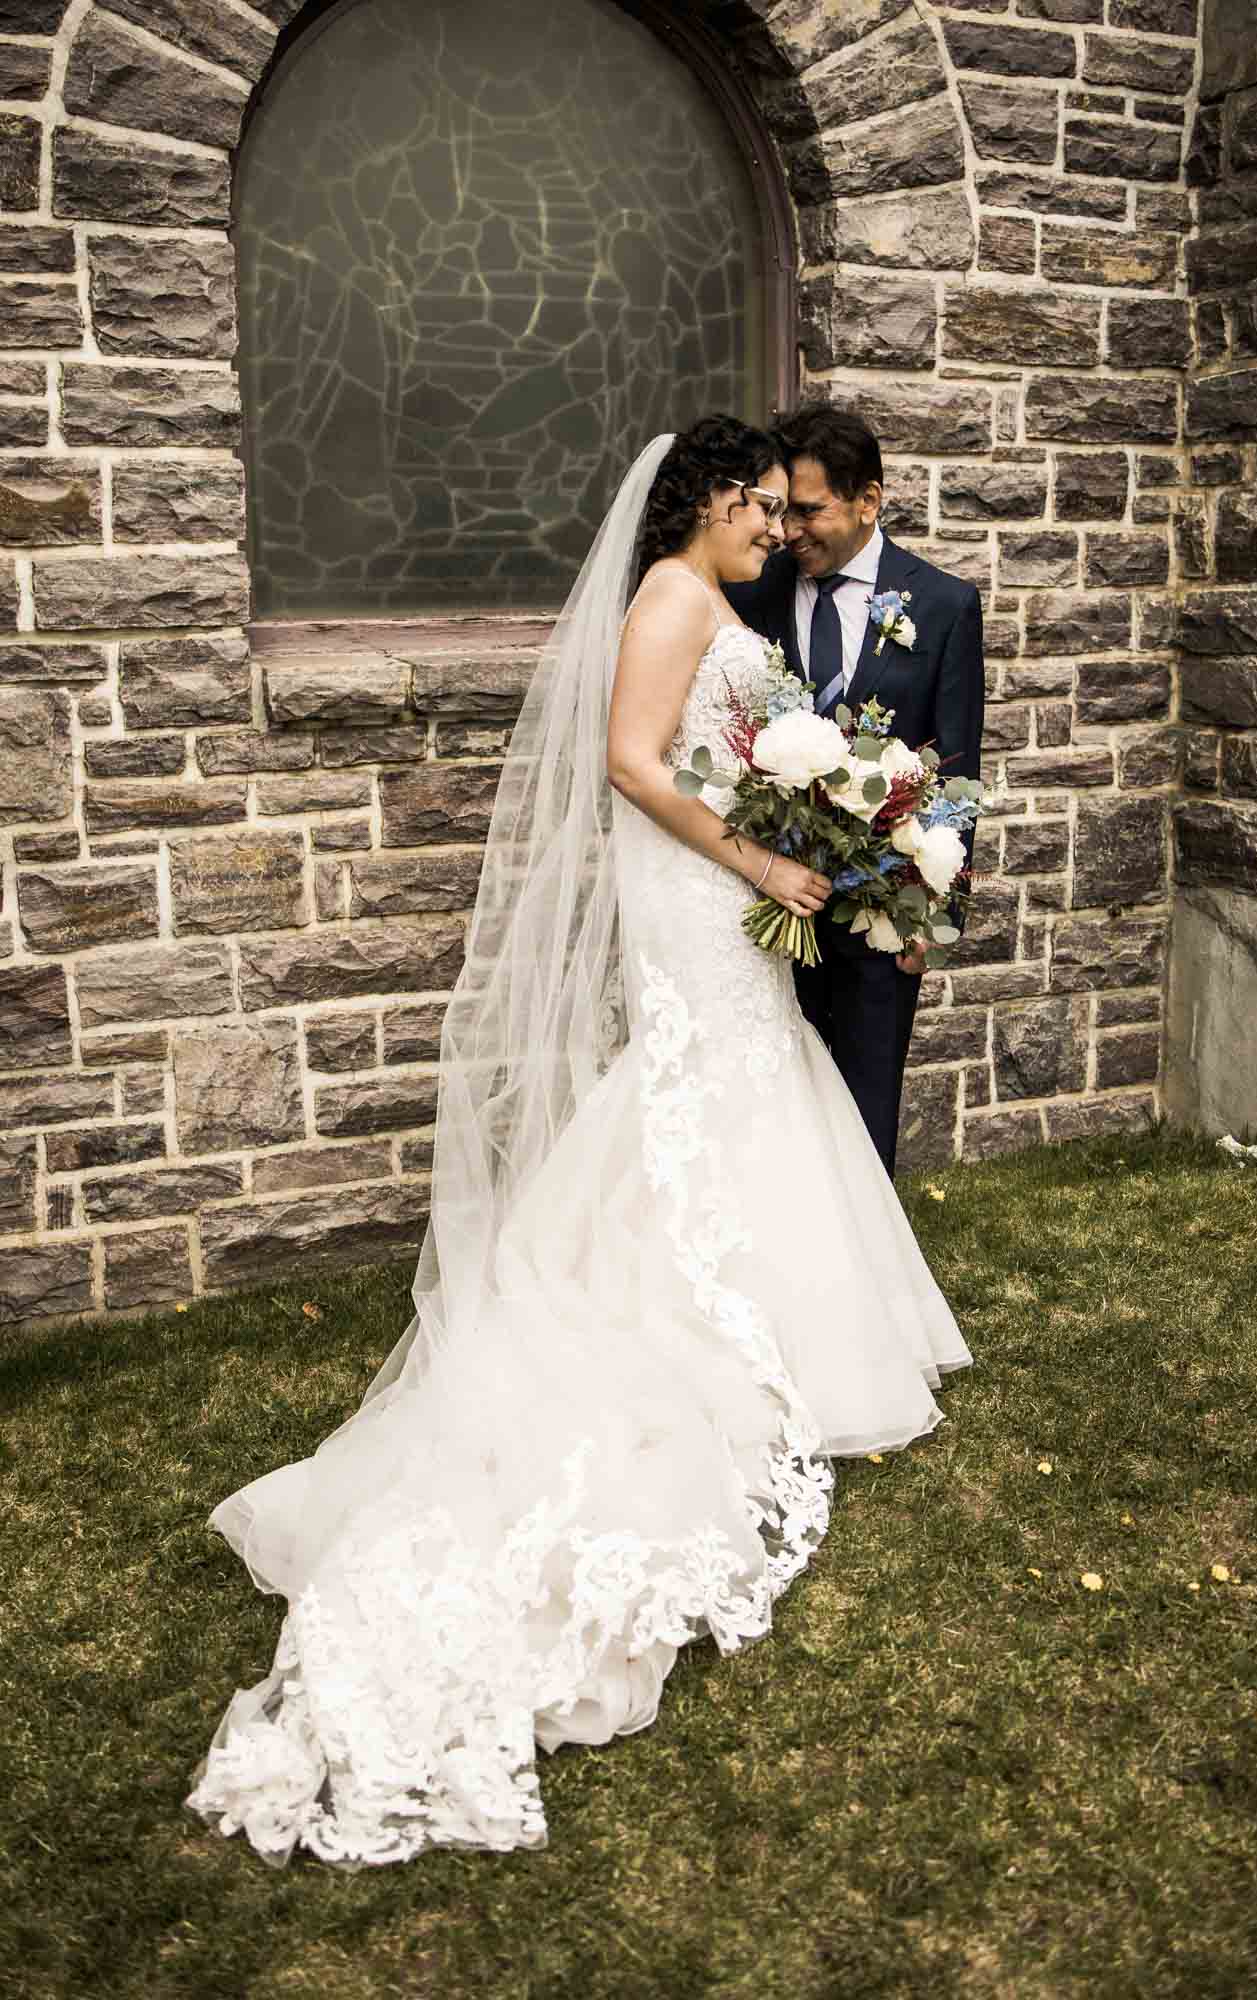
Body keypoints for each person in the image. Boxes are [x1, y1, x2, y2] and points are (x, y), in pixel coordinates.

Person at [186, 416, 972, 1869]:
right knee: (698, 1083)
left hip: (722, 887)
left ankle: (766, 1319)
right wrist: (757, 854)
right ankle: (695, 1322)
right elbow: (627, 762)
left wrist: (818, 817)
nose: (773, 528)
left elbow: (722, 753)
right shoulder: (674, 600)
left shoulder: (718, 605)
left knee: (738, 1081)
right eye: (755, 507)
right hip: (691, 894)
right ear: (703, 504)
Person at [726, 405, 985, 1180]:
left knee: (867, 1095)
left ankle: (862, 1281)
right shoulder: (747, 594)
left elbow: (958, 766)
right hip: (764, 896)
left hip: (881, 903)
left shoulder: (941, 604)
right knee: (771, 1095)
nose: (788, 530)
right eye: (778, 510)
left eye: (808, 510)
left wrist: (936, 912)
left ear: (867, 500)